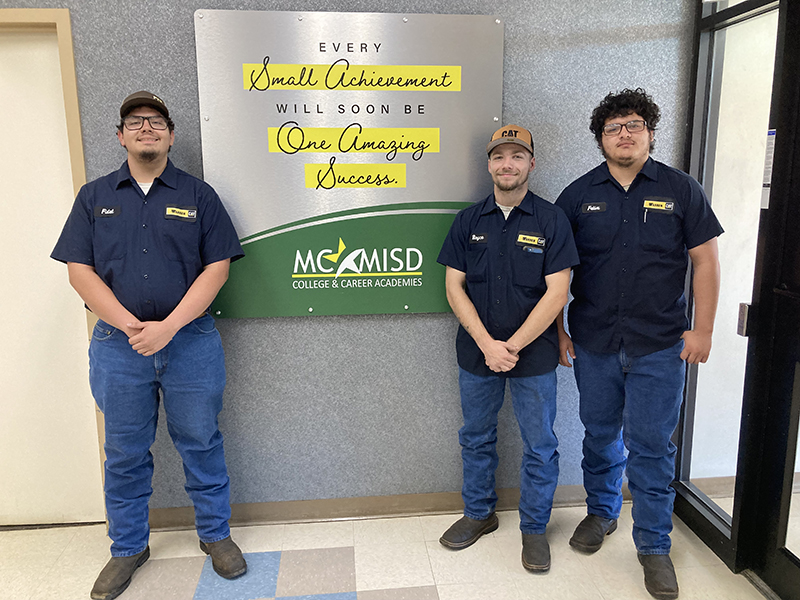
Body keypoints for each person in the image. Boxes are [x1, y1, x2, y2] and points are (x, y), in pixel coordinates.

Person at [51, 91, 246, 600]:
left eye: (157, 121)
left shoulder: (199, 196)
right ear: (120, 136)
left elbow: (217, 268)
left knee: (201, 441)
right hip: (119, 347)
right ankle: (128, 547)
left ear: (171, 135)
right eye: (136, 121)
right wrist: (134, 327)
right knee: (124, 452)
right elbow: (80, 271)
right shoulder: (94, 197)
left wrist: (169, 327)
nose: (146, 128)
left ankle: (215, 534)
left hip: (191, 343)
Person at [555, 88, 723, 600]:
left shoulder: (681, 190)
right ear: (600, 139)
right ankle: (602, 514)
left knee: (651, 448)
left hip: (660, 346)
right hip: (595, 343)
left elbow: (706, 262)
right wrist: (559, 329)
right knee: (599, 433)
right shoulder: (578, 195)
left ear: (650, 132)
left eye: (633, 125)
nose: (623, 134)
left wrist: (705, 329)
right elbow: (555, 272)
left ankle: (654, 546)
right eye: (613, 127)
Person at [437, 125, 579, 572]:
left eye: (517, 156)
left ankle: (534, 529)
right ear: (489, 165)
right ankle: (479, 514)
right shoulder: (467, 221)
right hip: (476, 353)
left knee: (540, 444)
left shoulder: (552, 220)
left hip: (532, 356)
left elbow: (558, 292)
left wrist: (511, 346)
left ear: (531, 164)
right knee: (475, 437)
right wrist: (486, 344)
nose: (507, 164)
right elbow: (453, 287)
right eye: (499, 156)